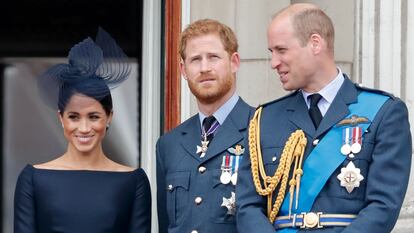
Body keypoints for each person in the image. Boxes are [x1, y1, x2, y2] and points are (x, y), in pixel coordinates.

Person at [236, 3, 412, 233]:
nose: (274, 63)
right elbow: (248, 207)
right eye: (272, 53)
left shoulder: (383, 112)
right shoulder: (265, 119)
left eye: (281, 50)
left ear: (315, 43)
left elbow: (383, 206)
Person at [14, 28, 151, 233]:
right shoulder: (33, 179)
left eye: (94, 116)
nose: (84, 128)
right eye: (74, 117)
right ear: (61, 118)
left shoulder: (133, 181)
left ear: (109, 117)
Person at [156, 19, 254, 233]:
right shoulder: (168, 144)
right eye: (195, 59)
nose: (204, 68)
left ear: (234, 62)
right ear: (183, 69)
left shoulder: (261, 128)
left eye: (213, 57)